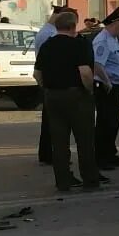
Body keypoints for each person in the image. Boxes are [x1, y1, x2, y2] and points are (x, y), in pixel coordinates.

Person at [34, 10, 105, 193]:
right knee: (84, 140)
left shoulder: (47, 46)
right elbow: (85, 72)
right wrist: (89, 90)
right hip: (76, 96)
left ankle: (63, 181)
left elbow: (37, 74)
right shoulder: (78, 45)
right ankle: (90, 179)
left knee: (59, 142)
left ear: (56, 26)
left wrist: (47, 88)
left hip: (53, 96)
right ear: (73, 26)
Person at [33, 6, 75, 166]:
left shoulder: (47, 31)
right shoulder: (48, 34)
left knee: (50, 121)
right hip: (52, 82)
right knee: (54, 122)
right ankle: (50, 154)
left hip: (48, 81)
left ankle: (46, 153)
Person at [92, 8, 119, 169]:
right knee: (105, 123)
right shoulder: (102, 40)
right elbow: (97, 64)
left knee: (113, 123)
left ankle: (110, 154)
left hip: (116, 86)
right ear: (112, 24)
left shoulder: (112, 38)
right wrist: (107, 82)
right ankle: (100, 158)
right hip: (105, 86)